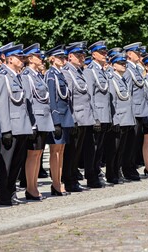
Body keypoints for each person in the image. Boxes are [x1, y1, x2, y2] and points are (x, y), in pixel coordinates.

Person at [0, 44, 33, 206]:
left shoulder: (17, 76)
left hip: (21, 125)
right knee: (6, 164)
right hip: (11, 127)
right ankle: (4, 195)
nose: (22, 60)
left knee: (17, 162)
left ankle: (11, 191)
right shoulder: (3, 77)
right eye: (19, 57)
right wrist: (6, 129)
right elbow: (1, 104)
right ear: (10, 59)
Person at [20, 43, 54, 200]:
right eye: (38, 56)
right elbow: (27, 100)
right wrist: (31, 124)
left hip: (44, 119)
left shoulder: (38, 75)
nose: (41, 59)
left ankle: (33, 186)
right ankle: (30, 187)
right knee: (32, 155)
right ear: (30, 59)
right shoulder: (27, 75)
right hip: (36, 120)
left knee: (38, 154)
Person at [62, 42, 94, 192]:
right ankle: (69, 180)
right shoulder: (67, 72)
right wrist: (72, 119)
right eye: (78, 55)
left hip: (84, 117)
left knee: (77, 152)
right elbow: (68, 98)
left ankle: (73, 177)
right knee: (71, 152)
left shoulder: (79, 72)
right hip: (76, 118)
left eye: (83, 56)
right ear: (70, 56)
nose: (82, 58)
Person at [45, 45, 74, 195]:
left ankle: (58, 180)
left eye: (63, 57)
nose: (62, 60)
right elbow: (52, 99)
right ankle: (55, 183)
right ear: (52, 59)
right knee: (55, 152)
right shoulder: (51, 75)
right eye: (60, 58)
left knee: (61, 152)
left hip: (65, 117)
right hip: (58, 117)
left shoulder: (60, 74)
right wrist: (55, 121)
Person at [83, 41, 112, 188]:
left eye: (105, 52)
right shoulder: (90, 71)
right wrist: (95, 118)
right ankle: (91, 175)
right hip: (97, 116)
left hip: (105, 114)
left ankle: (96, 171)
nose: (105, 55)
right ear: (94, 55)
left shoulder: (102, 71)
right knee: (92, 148)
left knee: (100, 148)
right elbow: (90, 96)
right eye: (102, 53)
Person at [105, 53, 135, 184]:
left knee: (121, 149)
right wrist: (115, 120)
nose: (124, 66)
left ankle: (117, 171)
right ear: (113, 66)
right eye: (121, 64)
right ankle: (111, 173)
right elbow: (113, 102)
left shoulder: (122, 79)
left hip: (126, 118)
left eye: (125, 64)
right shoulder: (112, 79)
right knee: (113, 149)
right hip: (118, 119)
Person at [122, 42, 148, 181]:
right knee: (130, 143)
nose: (139, 55)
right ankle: (128, 168)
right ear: (129, 54)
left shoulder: (137, 70)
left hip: (140, 110)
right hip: (133, 111)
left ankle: (131, 166)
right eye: (137, 53)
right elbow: (126, 93)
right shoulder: (128, 71)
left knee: (135, 142)